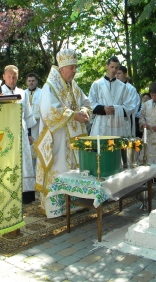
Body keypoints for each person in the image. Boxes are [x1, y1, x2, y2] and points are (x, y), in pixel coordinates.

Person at [35, 48, 92, 217]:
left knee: (73, 169)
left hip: (73, 139)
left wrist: (84, 111)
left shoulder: (73, 85)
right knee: (58, 170)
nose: (75, 71)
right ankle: (55, 209)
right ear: (62, 69)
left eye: (75, 67)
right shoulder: (50, 87)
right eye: (72, 67)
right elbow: (48, 111)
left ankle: (75, 203)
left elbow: (86, 102)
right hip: (57, 140)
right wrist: (74, 115)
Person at [0, 65, 37, 204]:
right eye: (9, 76)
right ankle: (8, 193)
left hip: (21, 131)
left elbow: (28, 114)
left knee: (23, 162)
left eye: (14, 77)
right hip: (5, 133)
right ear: (4, 76)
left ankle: (25, 194)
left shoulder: (23, 92)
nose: (11, 79)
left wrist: (28, 134)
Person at [88, 56, 134, 137]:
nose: (113, 70)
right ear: (107, 66)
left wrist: (116, 109)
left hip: (117, 124)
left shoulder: (123, 86)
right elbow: (90, 103)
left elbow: (129, 106)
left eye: (116, 68)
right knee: (101, 147)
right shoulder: (97, 84)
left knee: (117, 147)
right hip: (101, 123)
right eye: (112, 67)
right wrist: (103, 109)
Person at [139, 82, 156, 173]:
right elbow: (141, 117)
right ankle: (146, 178)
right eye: (152, 95)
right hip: (148, 134)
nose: (154, 97)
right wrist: (143, 124)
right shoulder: (146, 104)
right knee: (146, 157)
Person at [25, 73, 42, 174]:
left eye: (33, 80)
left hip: (39, 126)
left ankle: (38, 177)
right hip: (27, 127)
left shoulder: (42, 92)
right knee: (28, 155)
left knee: (38, 154)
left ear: (36, 81)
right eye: (29, 81)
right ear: (26, 82)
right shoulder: (23, 93)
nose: (31, 82)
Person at [116, 66, 140, 137]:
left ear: (125, 74)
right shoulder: (114, 88)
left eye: (119, 73)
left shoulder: (131, 89)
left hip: (127, 119)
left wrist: (121, 111)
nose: (117, 76)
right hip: (114, 120)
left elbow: (134, 107)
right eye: (116, 74)